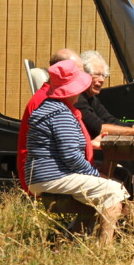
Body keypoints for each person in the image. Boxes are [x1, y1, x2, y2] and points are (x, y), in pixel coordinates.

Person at [25, 59, 130, 246]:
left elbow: (65, 148)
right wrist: (97, 174)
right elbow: (71, 156)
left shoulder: (52, 107)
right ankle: (103, 249)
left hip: (45, 174)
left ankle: (69, 241)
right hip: (52, 176)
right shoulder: (61, 114)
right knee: (114, 189)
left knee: (100, 189)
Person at [17, 48, 83, 194]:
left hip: (63, 170)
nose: (82, 76)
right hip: (52, 174)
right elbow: (66, 152)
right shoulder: (45, 102)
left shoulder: (59, 100)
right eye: (76, 71)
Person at [75, 50, 134, 140]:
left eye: (104, 75)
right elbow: (98, 128)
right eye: (97, 74)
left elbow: (110, 120)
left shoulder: (91, 97)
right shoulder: (77, 98)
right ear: (83, 74)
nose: (102, 80)